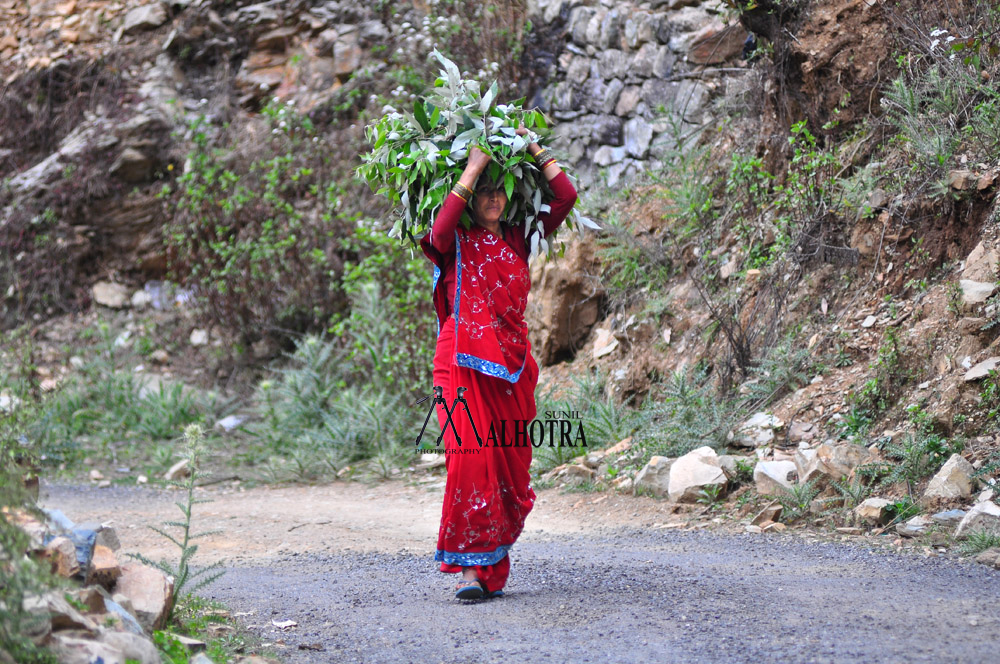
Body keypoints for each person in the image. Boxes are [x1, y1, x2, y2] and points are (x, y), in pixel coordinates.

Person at [420, 129, 577, 600]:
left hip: (509, 368)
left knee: (506, 466)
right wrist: (473, 166)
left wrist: (530, 145)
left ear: (511, 194)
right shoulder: (457, 240)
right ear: (470, 196)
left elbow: (565, 195)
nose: (491, 198)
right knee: (470, 459)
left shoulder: (518, 236)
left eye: (498, 189)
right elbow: (439, 230)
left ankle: (490, 568)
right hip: (459, 362)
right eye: (483, 191)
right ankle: (470, 572)